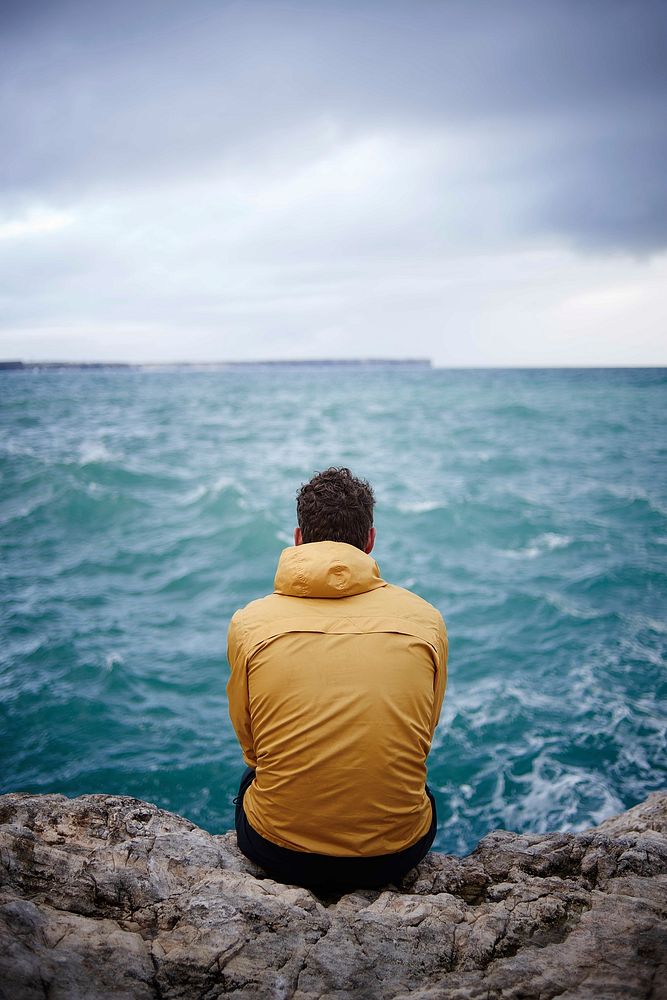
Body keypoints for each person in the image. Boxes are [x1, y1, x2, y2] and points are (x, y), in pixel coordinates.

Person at [226, 466, 448, 893]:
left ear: (297, 538)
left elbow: (253, 750)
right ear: (369, 542)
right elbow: (423, 733)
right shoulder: (426, 621)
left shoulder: (249, 624)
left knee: (251, 779)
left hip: (280, 850)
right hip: (397, 852)